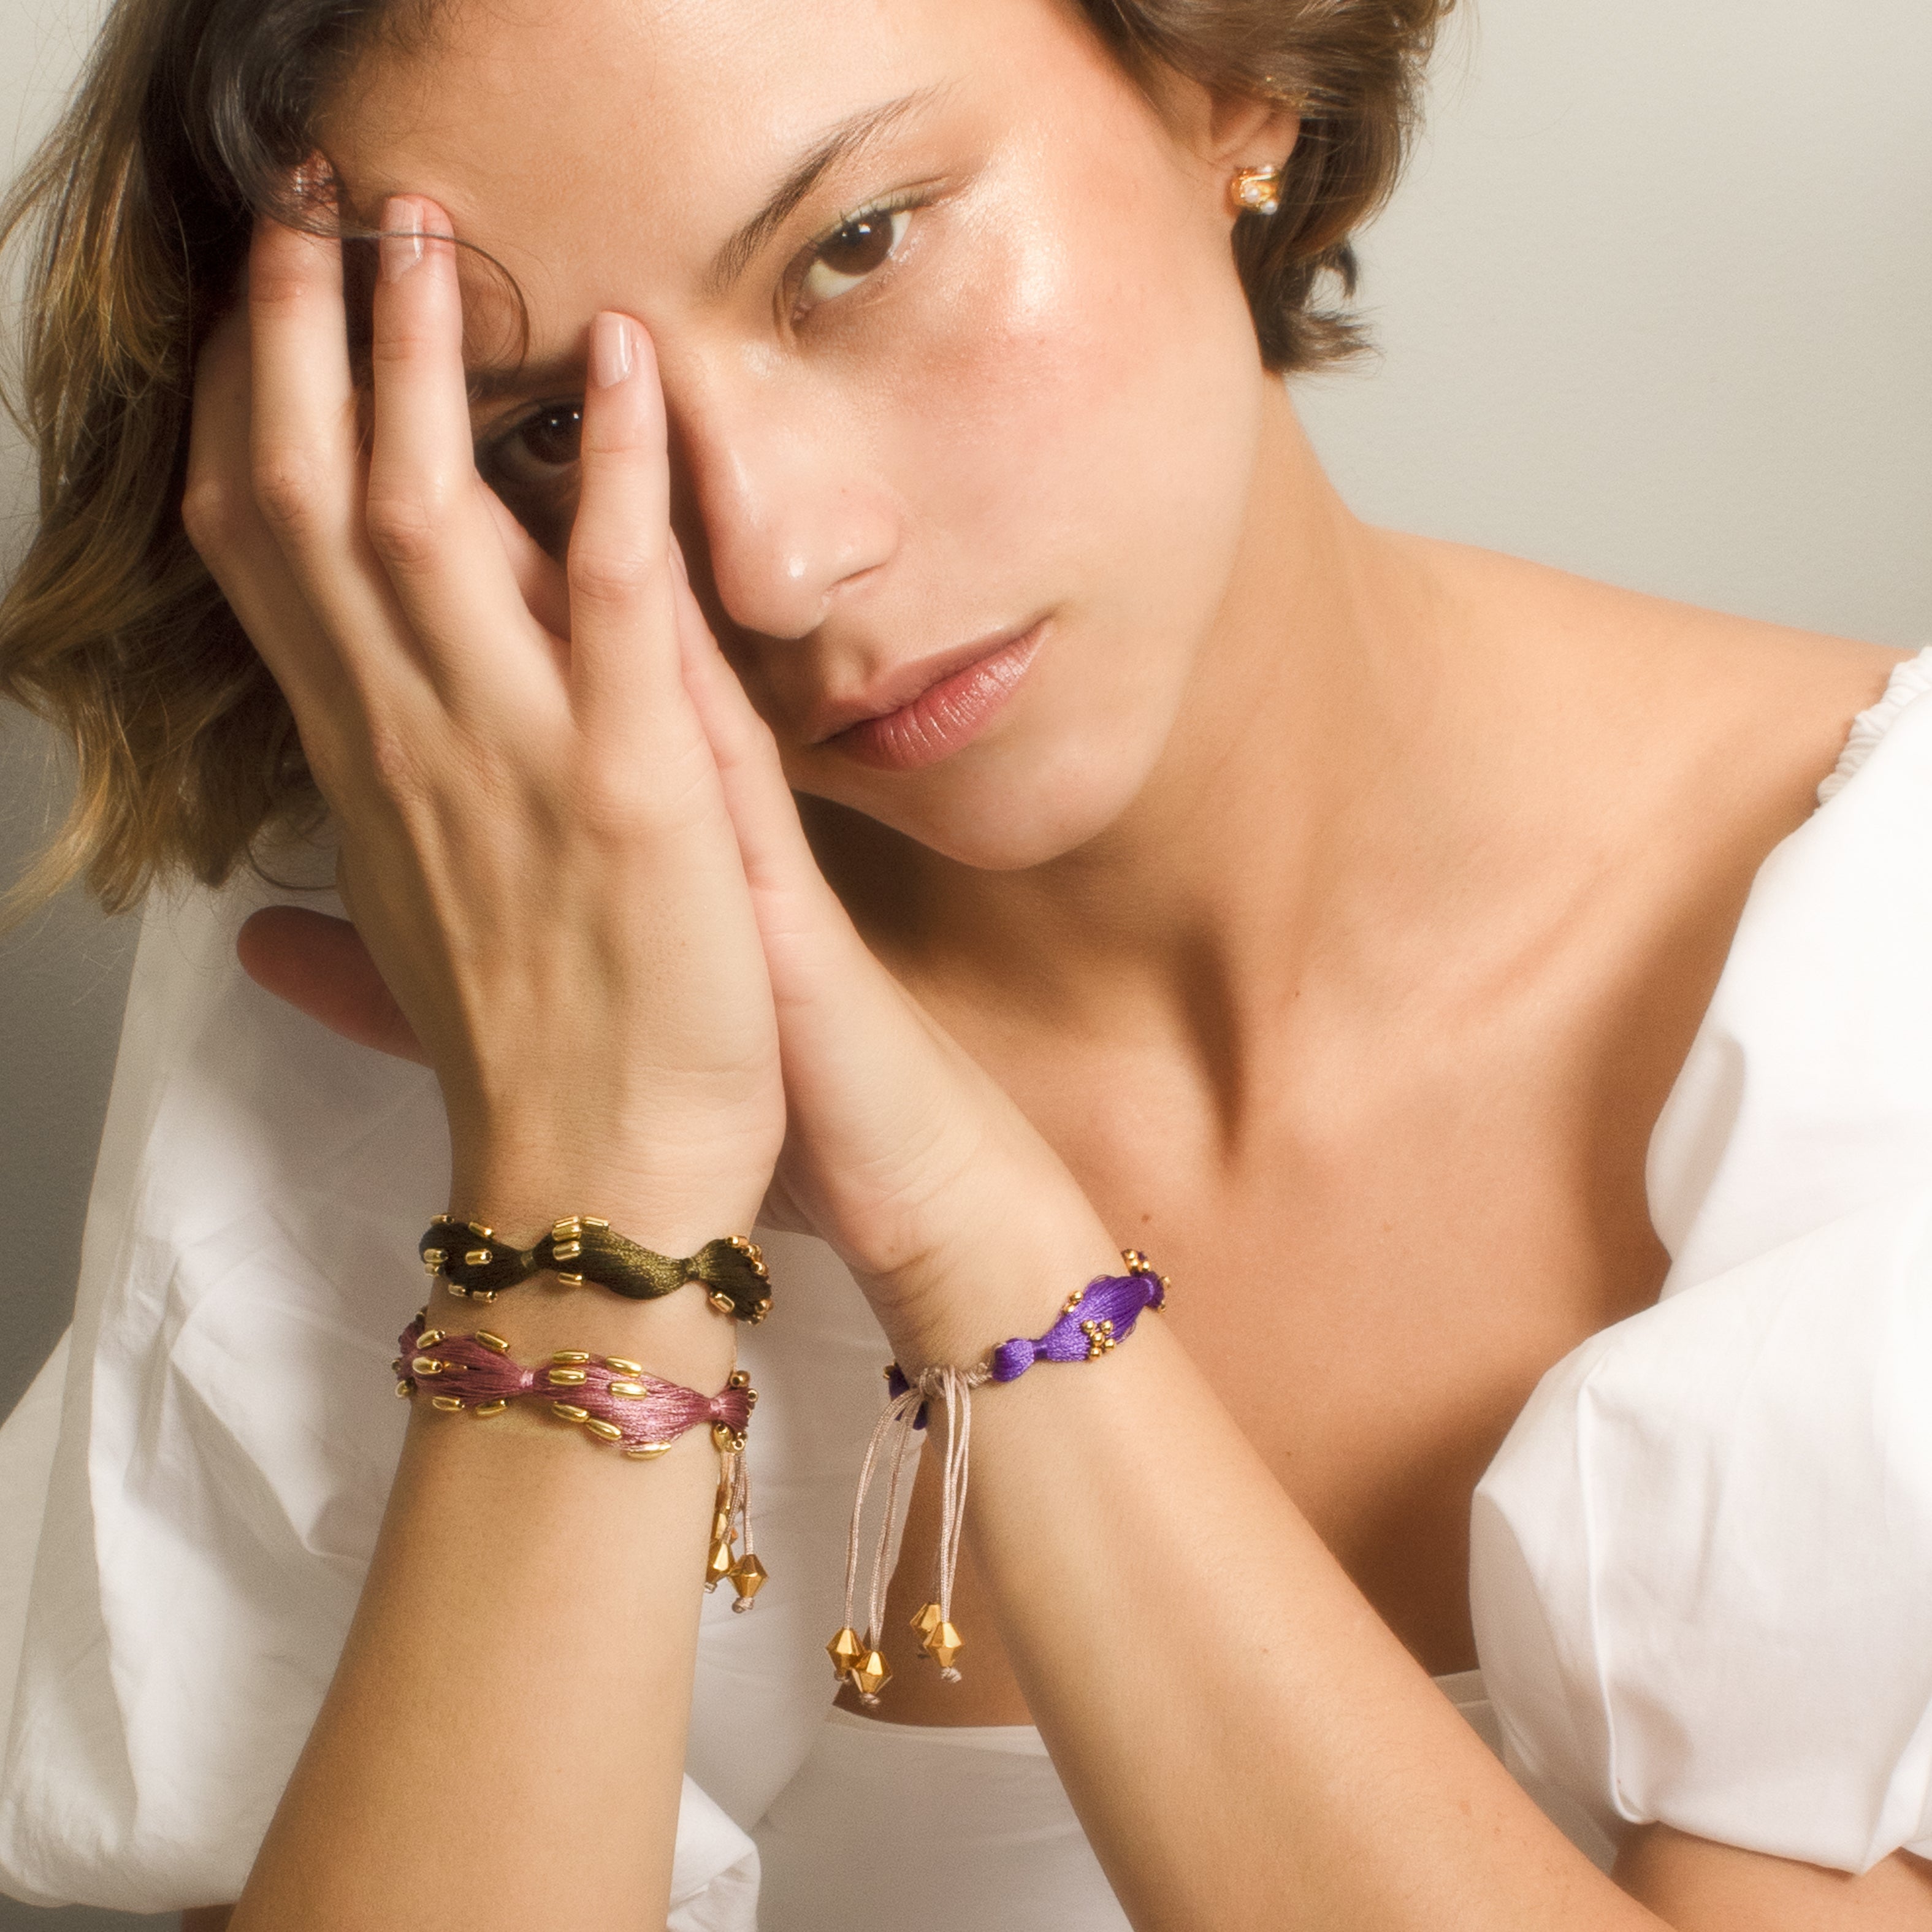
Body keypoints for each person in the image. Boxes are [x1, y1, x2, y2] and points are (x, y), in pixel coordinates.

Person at [1, 0, 1928, 1926]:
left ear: (1225, 73)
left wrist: (978, 1236)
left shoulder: (1877, 965)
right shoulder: (453, 999)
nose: (770, 560)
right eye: (557, 430)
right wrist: (596, 1200)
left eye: (857, 244)